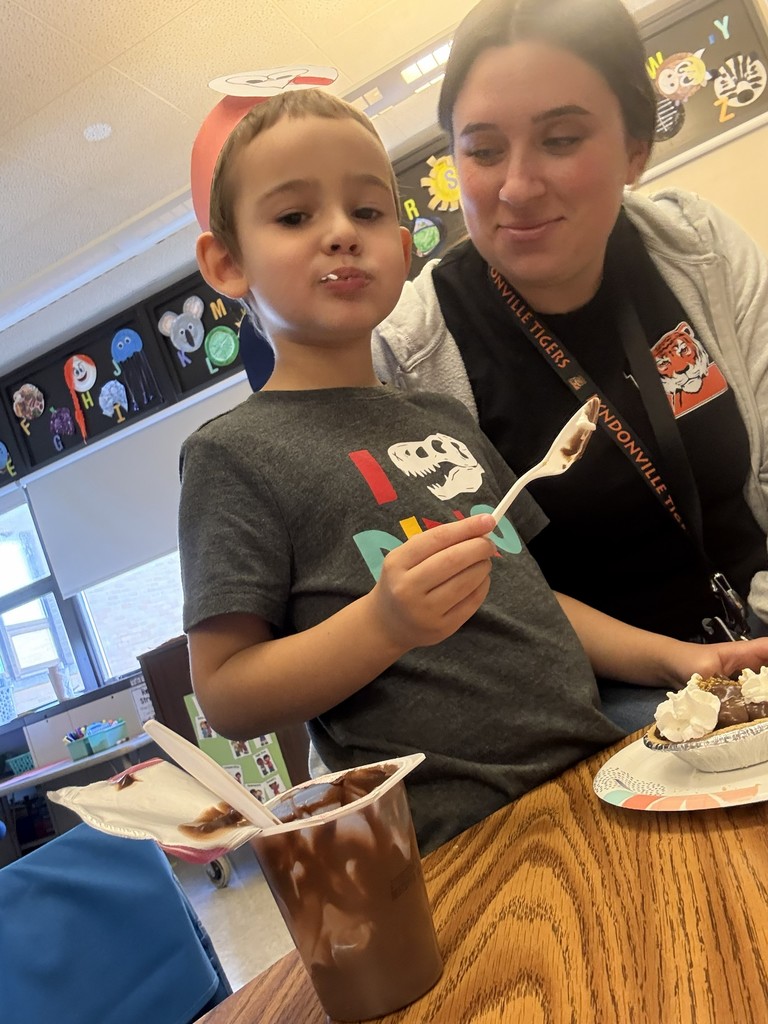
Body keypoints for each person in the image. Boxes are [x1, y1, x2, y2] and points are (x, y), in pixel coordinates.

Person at [178, 88, 768, 854]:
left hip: (599, 769)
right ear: (226, 261)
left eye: (365, 212)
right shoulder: (232, 454)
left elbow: (534, 597)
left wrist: (681, 659)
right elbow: (225, 693)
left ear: (402, 240)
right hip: (460, 833)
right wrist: (383, 624)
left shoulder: (443, 418)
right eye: (294, 217)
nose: (339, 236)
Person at [372, 0, 768, 730]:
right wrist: (687, 674)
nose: (517, 188)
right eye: (483, 151)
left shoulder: (701, 249)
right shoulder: (407, 353)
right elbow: (489, 594)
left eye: (560, 139)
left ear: (636, 147)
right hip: (598, 719)